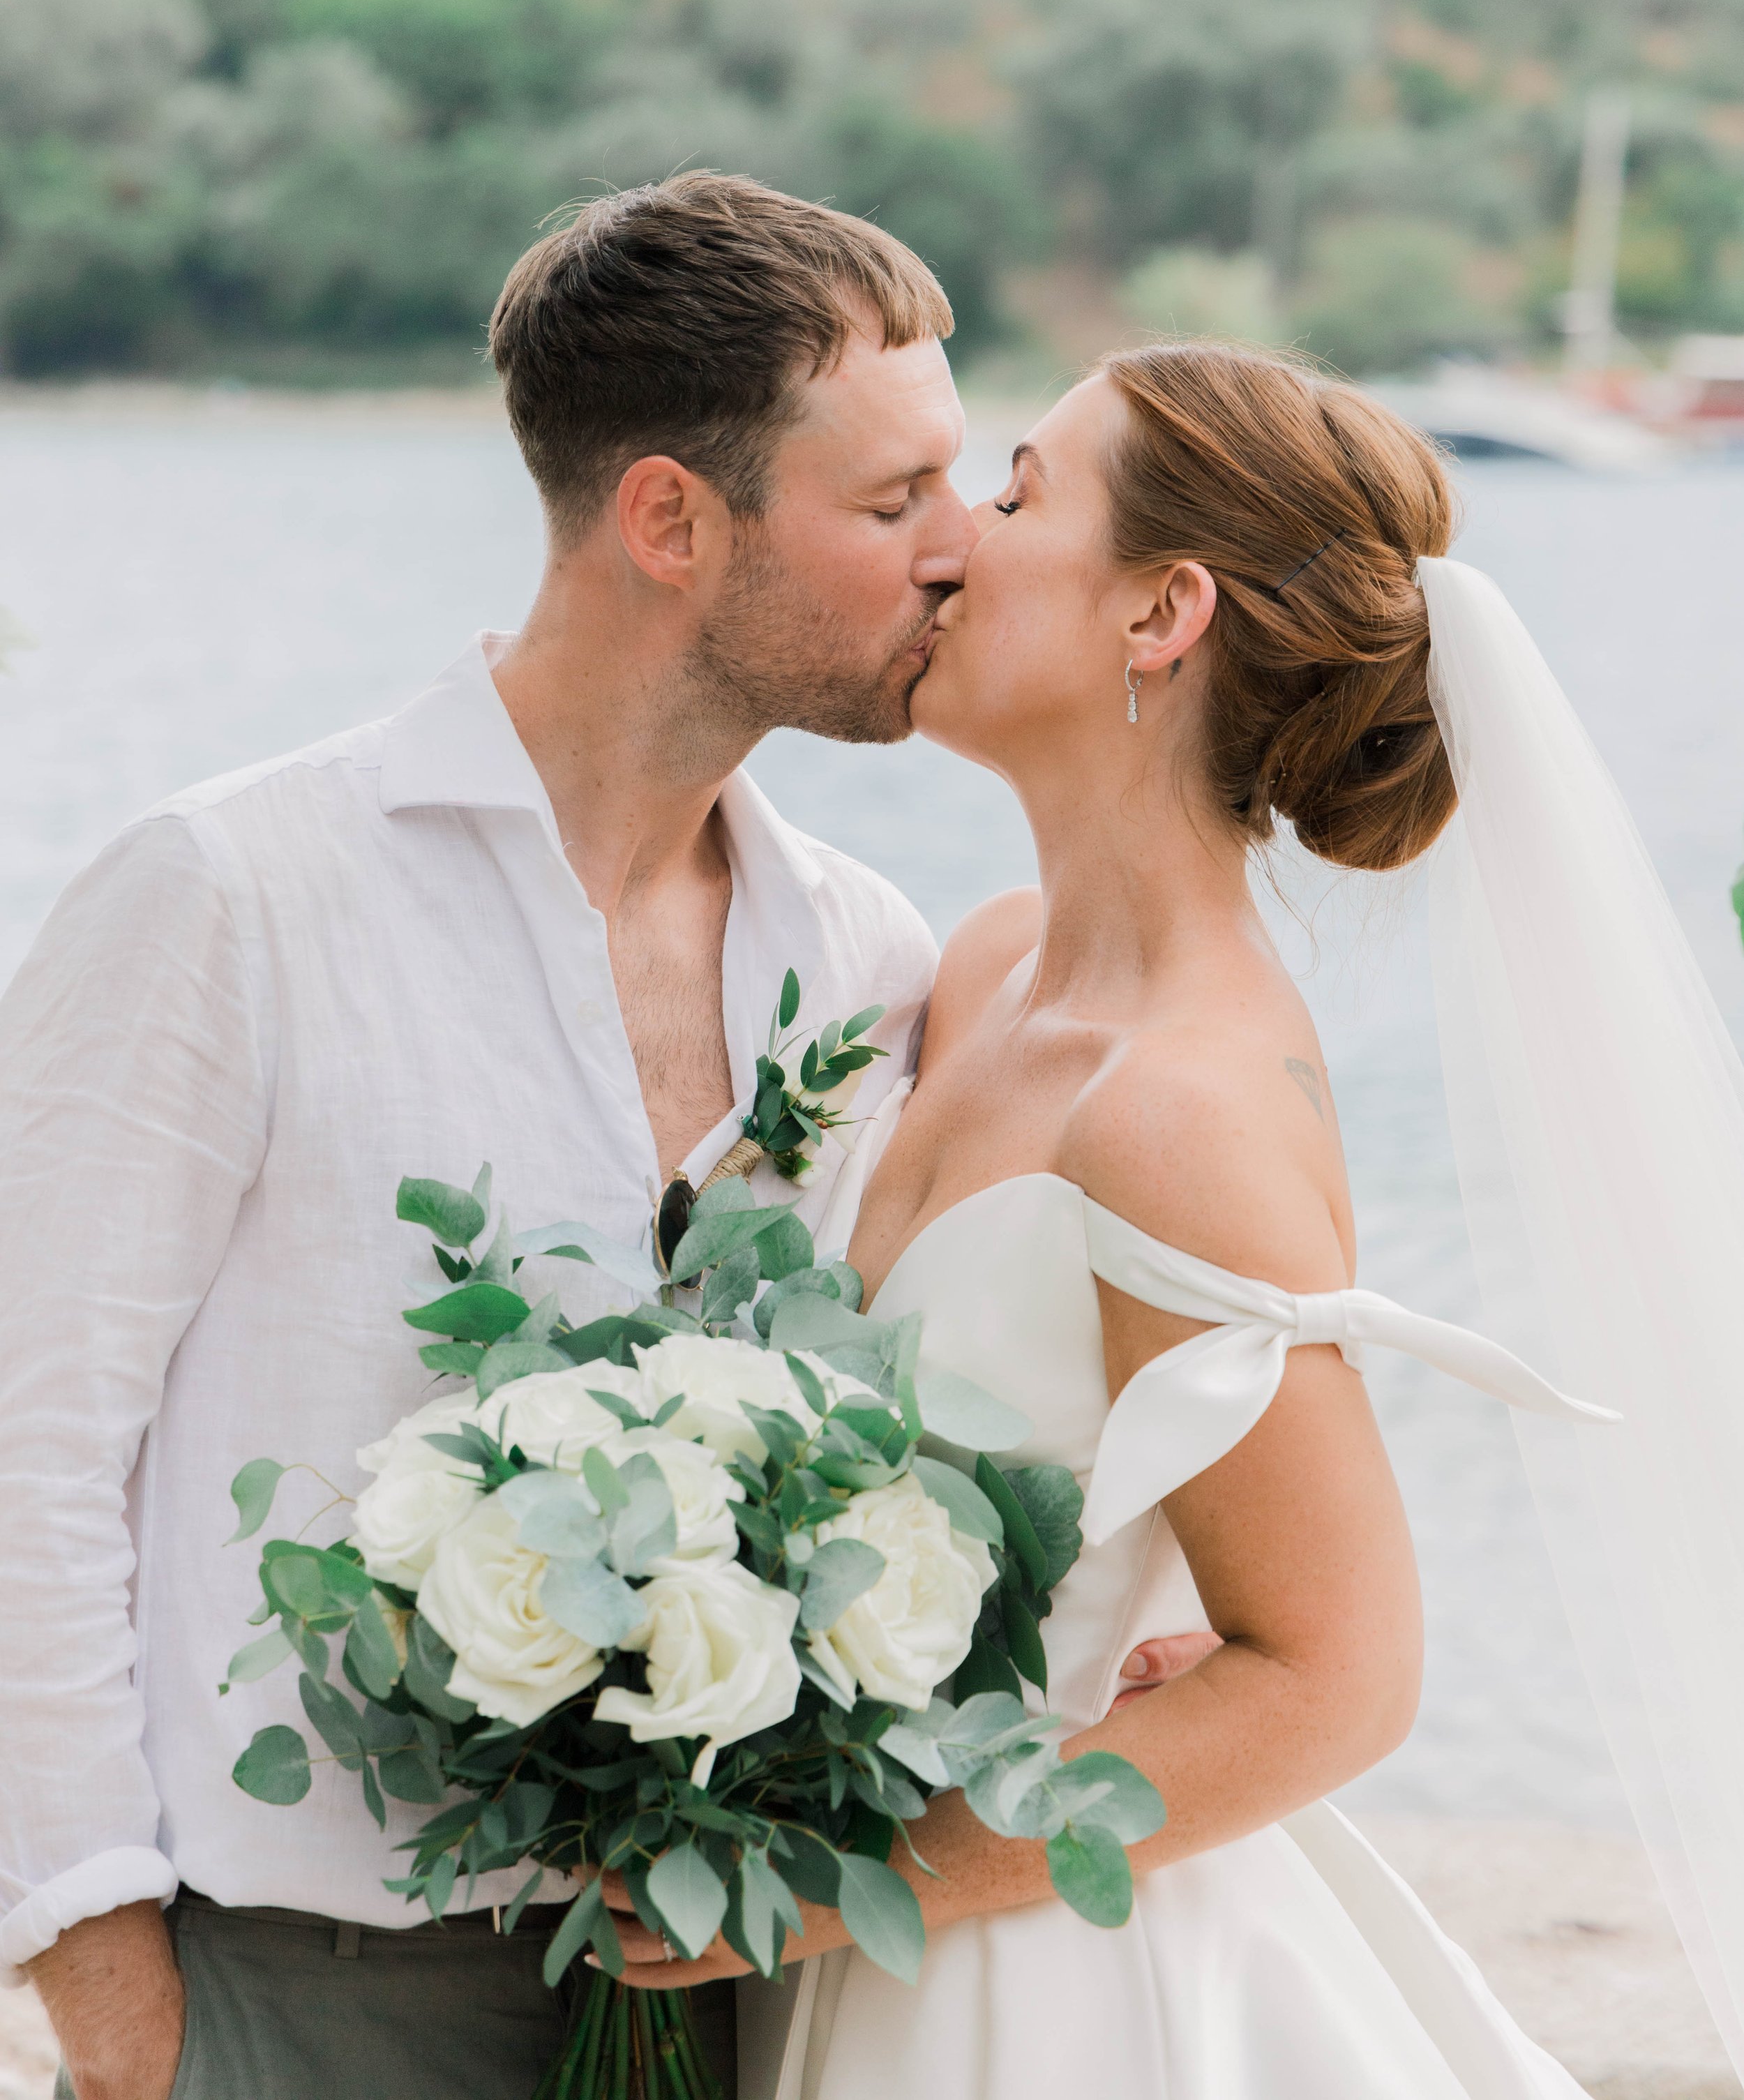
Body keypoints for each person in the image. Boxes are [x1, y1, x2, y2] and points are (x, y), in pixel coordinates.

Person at [0, 175, 1194, 2100]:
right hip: (288, 1995)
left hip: (740, 1982)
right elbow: (25, 1445)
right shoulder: (228, 894)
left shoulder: (861, 951)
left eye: (960, 487)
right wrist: (125, 2004)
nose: (958, 551)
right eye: (891, 502)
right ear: (668, 519)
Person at [608, 341, 1653, 2099]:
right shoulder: (985, 962)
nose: (946, 540)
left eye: (1016, 495)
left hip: (1042, 1989)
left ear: (1159, 612)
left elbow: (1336, 1675)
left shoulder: (1180, 1104)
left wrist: (809, 1889)